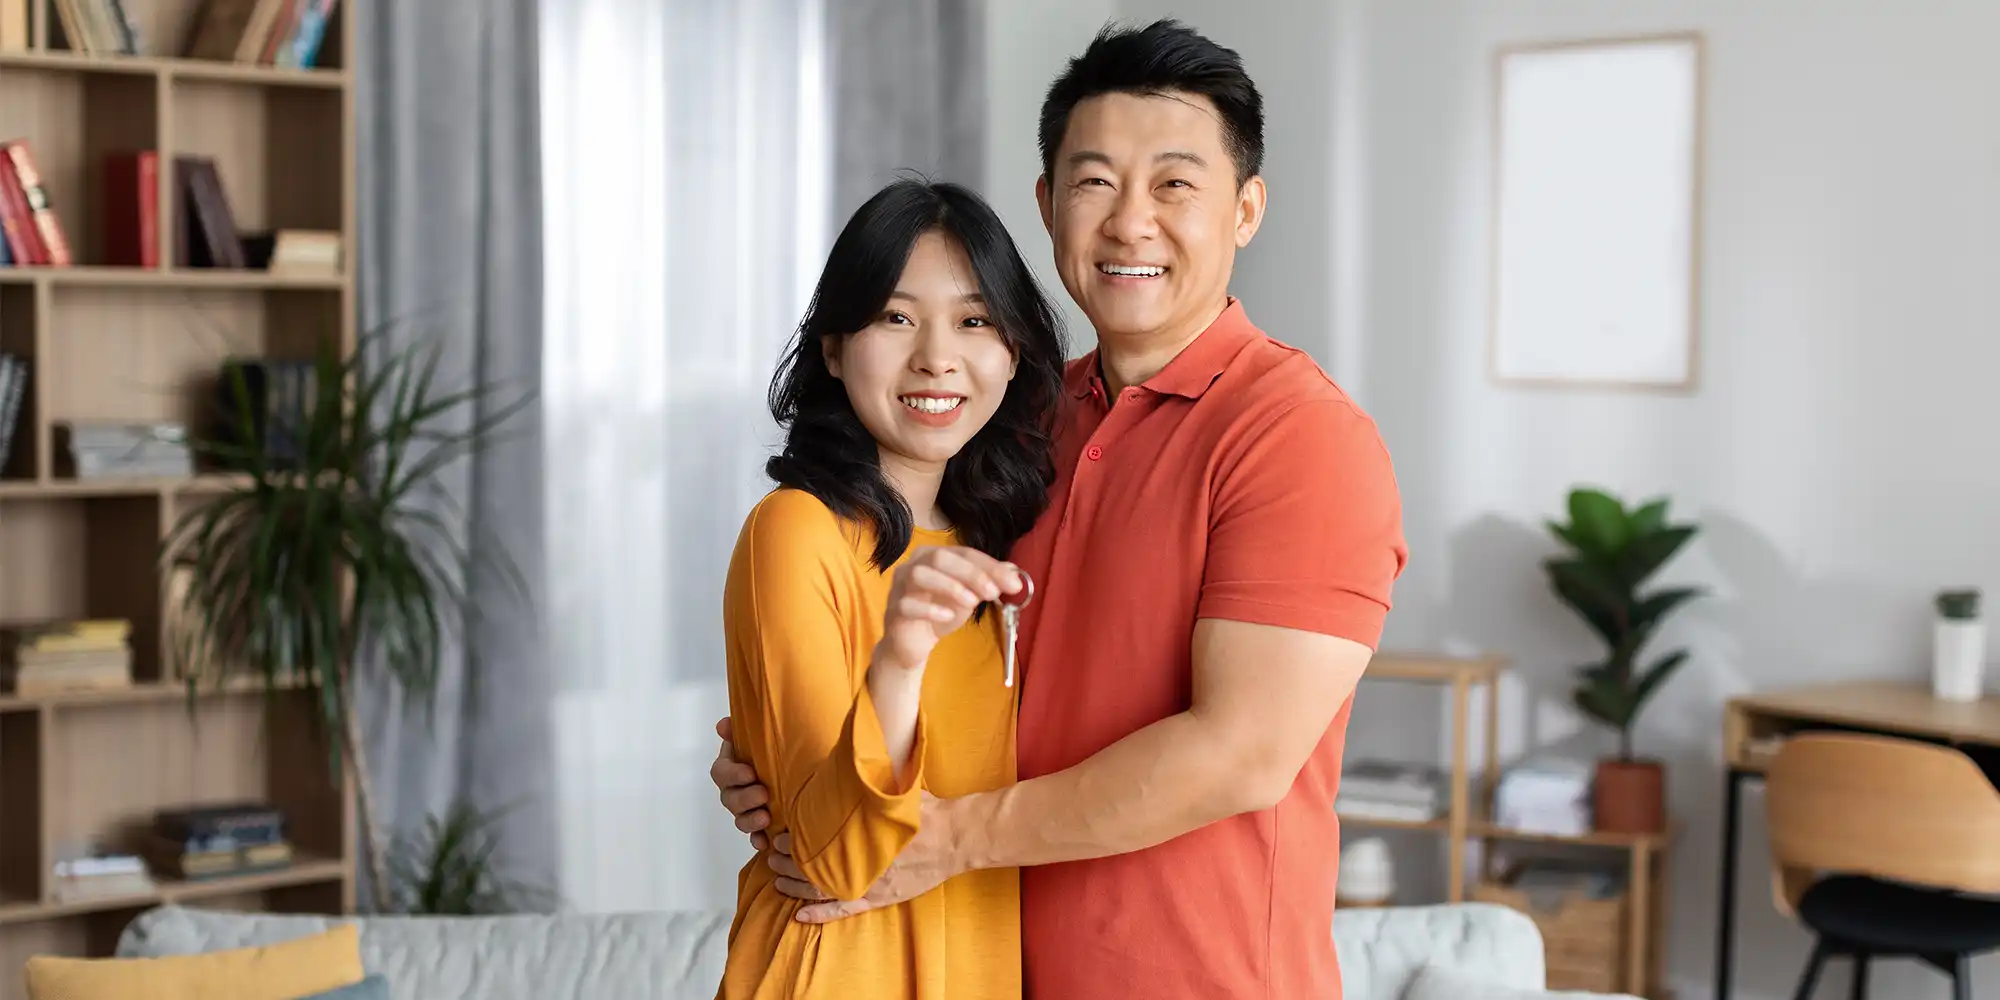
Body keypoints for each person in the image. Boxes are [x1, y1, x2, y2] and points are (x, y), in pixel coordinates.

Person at [714, 19, 1408, 1000]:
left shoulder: (1299, 438)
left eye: (1174, 184)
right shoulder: (1014, 430)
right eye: (1095, 182)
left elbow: (1241, 754)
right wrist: (788, 766)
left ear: (1246, 208)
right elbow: (912, 665)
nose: (1130, 223)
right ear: (1046, 204)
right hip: (989, 969)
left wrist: (938, 839)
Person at [713, 177, 1068, 1000]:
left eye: (974, 321)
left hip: (976, 964)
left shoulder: (1007, 543)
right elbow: (834, 859)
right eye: (895, 318)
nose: (936, 357)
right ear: (834, 349)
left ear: (1013, 352)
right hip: (834, 969)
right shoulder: (795, 531)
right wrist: (899, 659)